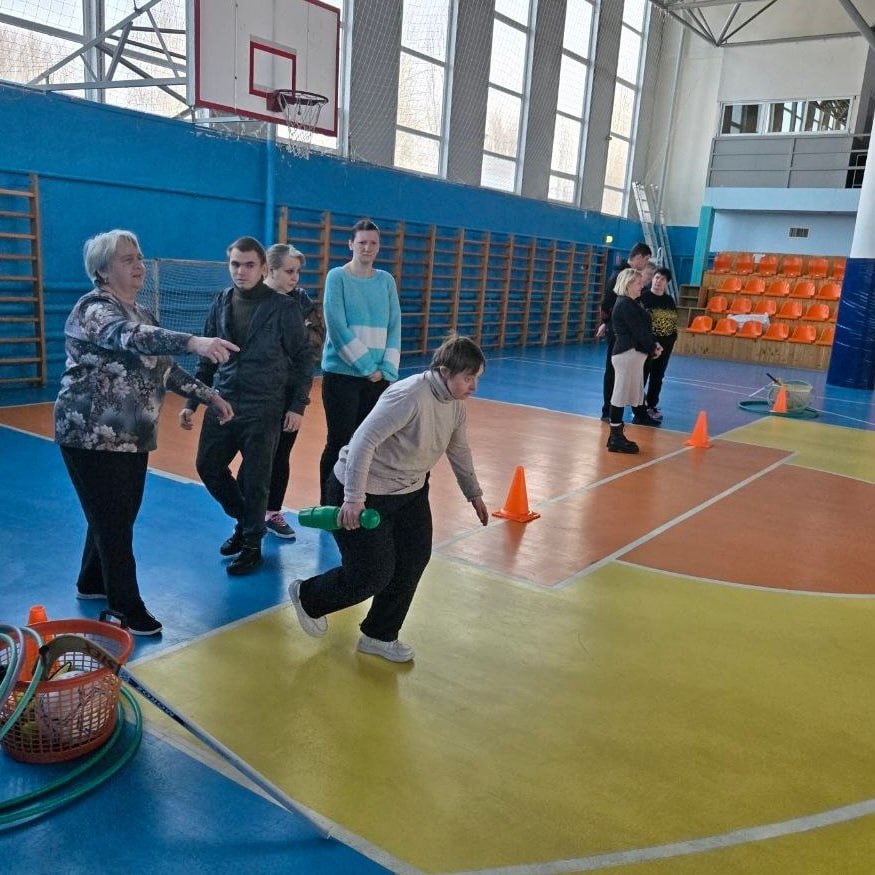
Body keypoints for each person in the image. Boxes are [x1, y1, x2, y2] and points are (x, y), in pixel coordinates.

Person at [55, 229, 237, 635]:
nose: (138, 265)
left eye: (138, 256)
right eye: (126, 259)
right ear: (102, 271)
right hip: (90, 435)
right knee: (114, 519)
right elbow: (127, 338)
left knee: (112, 515)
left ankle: (92, 582)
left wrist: (210, 397)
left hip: (132, 435)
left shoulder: (142, 314)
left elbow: (164, 368)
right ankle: (126, 607)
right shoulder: (94, 309)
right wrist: (194, 340)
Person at [289, 334, 490, 663]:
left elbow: (459, 450)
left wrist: (474, 494)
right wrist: (353, 499)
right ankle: (309, 596)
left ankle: (379, 635)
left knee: (413, 559)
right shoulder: (409, 396)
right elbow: (363, 441)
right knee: (372, 574)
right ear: (443, 371)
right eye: (469, 378)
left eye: (476, 378)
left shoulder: (455, 407)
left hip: (410, 491)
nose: (474, 387)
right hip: (363, 491)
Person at [179, 237, 314, 576]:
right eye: (235, 264)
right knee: (208, 466)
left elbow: (303, 358)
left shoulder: (284, 308)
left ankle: (252, 545)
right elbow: (208, 358)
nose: (241, 271)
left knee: (255, 481)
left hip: (264, 407)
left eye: (249, 264)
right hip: (222, 401)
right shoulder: (221, 302)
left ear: (263, 268)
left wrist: (297, 405)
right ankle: (245, 522)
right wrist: (192, 402)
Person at [318, 218, 402, 503]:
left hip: (378, 379)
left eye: (373, 243)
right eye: (362, 242)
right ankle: (330, 504)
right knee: (339, 443)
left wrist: (387, 369)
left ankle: (356, 501)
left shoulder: (386, 281)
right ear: (351, 244)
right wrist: (367, 367)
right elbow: (337, 327)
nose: (368, 247)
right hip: (342, 377)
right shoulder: (337, 278)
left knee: (367, 444)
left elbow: (394, 326)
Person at [259, 243, 325, 540]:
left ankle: (272, 512)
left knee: (281, 453)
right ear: (270, 270)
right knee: (254, 455)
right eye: (289, 271)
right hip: (256, 395)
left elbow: (311, 346)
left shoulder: (301, 300)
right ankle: (248, 515)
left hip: (288, 394)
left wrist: (298, 405)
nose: (295, 277)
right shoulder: (253, 300)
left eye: (297, 272)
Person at [606, 268, 662, 454]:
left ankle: (616, 434)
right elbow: (638, 331)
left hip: (633, 355)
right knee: (620, 394)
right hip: (626, 354)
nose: (642, 286)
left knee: (626, 393)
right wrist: (653, 347)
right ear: (629, 284)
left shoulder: (631, 303)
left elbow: (643, 330)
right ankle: (615, 436)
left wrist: (653, 344)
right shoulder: (625, 304)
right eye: (638, 283)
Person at [597, 242, 652, 421]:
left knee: (633, 375)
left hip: (622, 330)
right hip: (620, 334)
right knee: (615, 374)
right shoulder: (622, 274)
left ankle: (638, 411)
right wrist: (608, 322)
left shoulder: (623, 273)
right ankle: (609, 412)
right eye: (646, 260)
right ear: (639, 257)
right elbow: (607, 303)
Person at [641, 266, 678, 421]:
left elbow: (671, 325)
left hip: (665, 348)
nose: (658, 281)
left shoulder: (669, 301)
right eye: (656, 277)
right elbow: (641, 325)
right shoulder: (644, 297)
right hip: (648, 346)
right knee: (642, 375)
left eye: (662, 279)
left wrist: (667, 344)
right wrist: (653, 344)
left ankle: (651, 406)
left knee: (657, 377)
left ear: (667, 283)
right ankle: (638, 406)